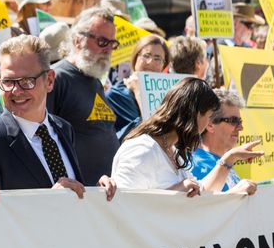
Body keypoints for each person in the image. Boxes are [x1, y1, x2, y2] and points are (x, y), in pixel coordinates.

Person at [0, 35, 116, 200]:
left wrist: (96, 191)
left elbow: (73, 191)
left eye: (27, 81)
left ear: (49, 80)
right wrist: (49, 199)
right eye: (8, 81)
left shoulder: (64, 129)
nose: (16, 90)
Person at [111, 77, 263, 196]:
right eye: (209, 116)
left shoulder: (174, 151)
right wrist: (177, 191)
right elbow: (124, 203)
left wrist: (230, 158)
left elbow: (201, 192)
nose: (209, 123)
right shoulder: (141, 149)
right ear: (195, 115)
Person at [46, 6, 120, 186]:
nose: (108, 49)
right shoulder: (57, 78)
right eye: (102, 41)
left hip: (104, 194)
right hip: (76, 195)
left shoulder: (94, 78)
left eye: (112, 43)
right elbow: (43, 137)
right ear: (78, 40)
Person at [190, 90, 259, 195]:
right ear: (210, 125)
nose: (240, 128)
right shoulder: (196, 163)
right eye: (233, 121)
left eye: (240, 122)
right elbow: (204, 207)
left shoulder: (221, 159)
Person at [106, 35, 169, 137]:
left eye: (157, 58)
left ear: (164, 65)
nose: (150, 62)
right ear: (135, 58)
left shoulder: (168, 95)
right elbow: (151, 129)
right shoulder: (117, 95)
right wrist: (138, 92)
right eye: (146, 56)